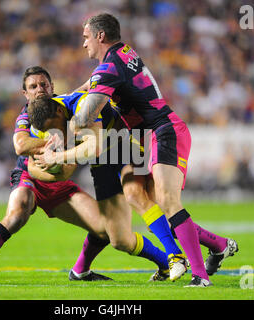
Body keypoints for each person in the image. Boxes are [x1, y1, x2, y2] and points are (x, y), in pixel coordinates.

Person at [69, 13, 238, 287]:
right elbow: (90, 86)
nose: (83, 43)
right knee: (138, 196)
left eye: (86, 36)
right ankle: (216, 245)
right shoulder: (122, 53)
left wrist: (67, 125)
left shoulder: (109, 68)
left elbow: (84, 117)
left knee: (168, 203)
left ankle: (199, 275)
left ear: (100, 36)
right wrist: (63, 100)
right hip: (146, 134)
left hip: (165, 131)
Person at [0, 67, 112, 285]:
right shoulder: (25, 114)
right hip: (28, 175)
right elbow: (20, 145)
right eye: (33, 86)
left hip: (58, 181)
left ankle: (80, 271)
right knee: (18, 212)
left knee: (106, 229)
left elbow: (86, 91)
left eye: (43, 85)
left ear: (52, 87)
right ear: (25, 93)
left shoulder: (66, 105)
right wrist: (56, 141)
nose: (39, 90)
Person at [30, 92, 187, 282]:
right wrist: (52, 168)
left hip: (126, 142)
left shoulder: (83, 105)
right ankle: (172, 261)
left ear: (58, 110)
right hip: (101, 163)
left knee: (138, 197)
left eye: (55, 125)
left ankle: (175, 255)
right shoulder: (41, 127)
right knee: (119, 239)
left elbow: (93, 147)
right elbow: (64, 171)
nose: (57, 131)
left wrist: (56, 157)